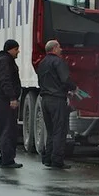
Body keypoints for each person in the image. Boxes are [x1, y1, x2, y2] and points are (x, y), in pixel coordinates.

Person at [37, 39, 75, 169]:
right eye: (59, 47)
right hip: (57, 99)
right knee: (60, 130)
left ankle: (48, 158)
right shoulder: (58, 62)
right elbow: (65, 79)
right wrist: (73, 87)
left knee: (51, 130)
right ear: (54, 49)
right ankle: (57, 160)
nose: (61, 49)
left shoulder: (41, 63)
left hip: (45, 100)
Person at [0, 39, 22, 169]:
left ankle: (4, 158)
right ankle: (7, 160)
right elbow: (6, 81)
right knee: (7, 130)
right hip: (4, 100)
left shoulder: (1, 60)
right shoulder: (5, 61)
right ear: (10, 49)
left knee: (4, 129)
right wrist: (12, 98)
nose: (18, 52)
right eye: (16, 49)